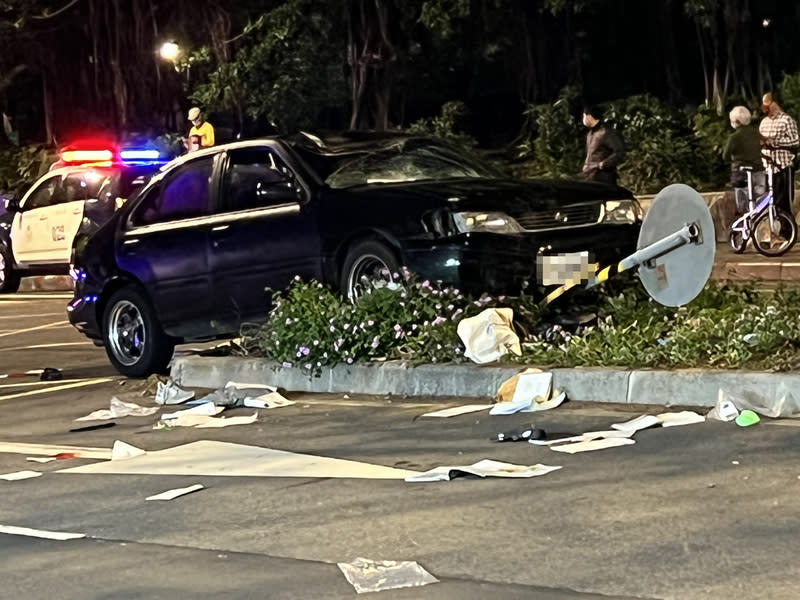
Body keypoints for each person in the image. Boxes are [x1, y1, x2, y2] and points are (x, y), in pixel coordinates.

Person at [758, 92, 798, 215]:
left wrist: (775, 142)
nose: (764, 107)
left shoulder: (787, 121)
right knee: (770, 202)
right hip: (768, 168)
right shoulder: (764, 122)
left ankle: (787, 230)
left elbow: (795, 140)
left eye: (767, 104)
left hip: (782, 167)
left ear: (775, 103)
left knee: (784, 202)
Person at [722, 106, 766, 213]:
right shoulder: (757, 134)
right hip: (758, 170)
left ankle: (745, 220)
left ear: (736, 121)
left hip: (741, 172)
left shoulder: (734, 137)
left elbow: (725, 156)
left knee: (742, 201)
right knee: (760, 198)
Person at [580, 105, 625, 185]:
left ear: (589, 116)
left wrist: (603, 165)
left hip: (603, 178)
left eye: (584, 115)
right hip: (589, 177)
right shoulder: (590, 134)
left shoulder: (606, 132)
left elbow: (619, 152)